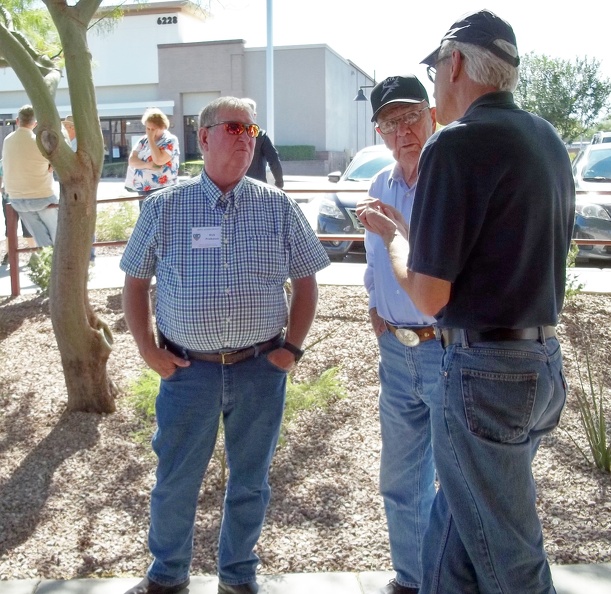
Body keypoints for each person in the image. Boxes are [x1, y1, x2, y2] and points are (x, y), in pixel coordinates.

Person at [359, 10, 575, 594]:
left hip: (485, 376)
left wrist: (392, 238)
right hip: (539, 365)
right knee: (450, 545)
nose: (433, 87)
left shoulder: (454, 145)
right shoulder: (546, 137)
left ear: (455, 63)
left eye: (433, 71)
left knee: (509, 557)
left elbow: (429, 294)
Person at [120, 96, 329, 594]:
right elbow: (133, 281)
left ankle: (238, 575)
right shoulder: (165, 206)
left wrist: (292, 350)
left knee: (251, 482)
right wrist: (149, 351)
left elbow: (307, 282)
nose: (244, 137)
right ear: (204, 135)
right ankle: (167, 575)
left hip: (260, 368)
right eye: (234, 127)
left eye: (251, 130)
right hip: (187, 370)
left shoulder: (276, 206)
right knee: (176, 481)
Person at [356, 75, 440, 594]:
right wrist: (374, 306)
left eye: (410, 116)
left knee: (458, 481)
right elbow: (375, 261)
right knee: (401, 480)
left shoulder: (452, 178)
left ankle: (452, 579)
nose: (402, 130)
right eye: (390, 122)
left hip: (446, 348)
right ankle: (413, 580)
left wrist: (395, 233)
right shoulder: (380, 185)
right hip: (397, 350)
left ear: (432, 116)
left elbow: (442, 265)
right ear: (381, 132)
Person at [1, 105, 58, 247]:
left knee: (40, 236)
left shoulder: (7, 140)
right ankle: (59, 261)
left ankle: (48, 260)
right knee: (58, 232)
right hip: (42, 197)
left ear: (17, 120)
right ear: (35, 123)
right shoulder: (40, 142)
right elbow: (52, 167)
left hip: (17, 199)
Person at [126, 107, 180, 207]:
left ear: (163, 127)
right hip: (143, 189)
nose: (150, 132)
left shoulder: (170, 140)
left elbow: (159, 160)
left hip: (163, 189)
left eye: (153, 129)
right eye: (148, 129)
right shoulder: (142, 140)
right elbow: (132, 160)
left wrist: (151, 140)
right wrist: (147, 165)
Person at [242, 98, 284, 188]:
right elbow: (274, 160)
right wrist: (279, 183)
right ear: (254, 115)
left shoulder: (229, 135)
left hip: (233, 187)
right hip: (258, 187)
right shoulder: (261, 135)